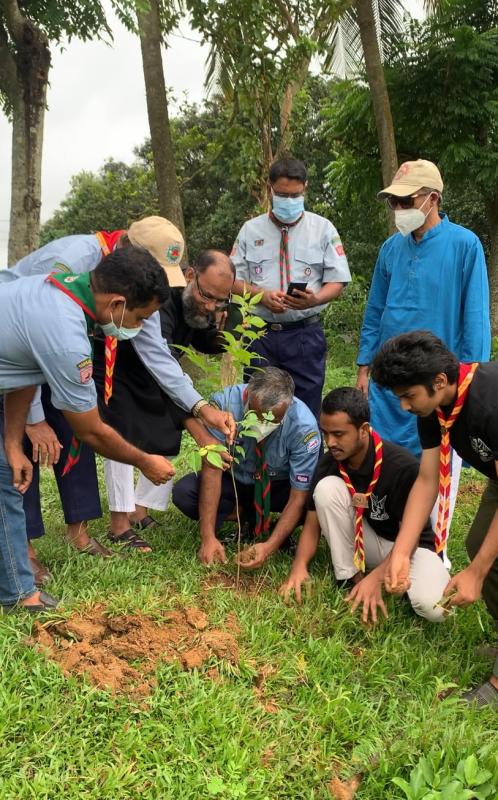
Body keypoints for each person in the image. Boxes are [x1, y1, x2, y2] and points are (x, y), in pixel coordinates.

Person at [0, 217, 235, 578]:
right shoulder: (70, 268)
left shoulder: (120, 295)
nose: (141, 324)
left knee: (68, 427)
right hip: (22, 350)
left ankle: (77, 531)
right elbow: (29, 351)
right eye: (139, 317)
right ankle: (22, 554)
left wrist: (200, 407)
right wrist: (33, 422)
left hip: (29, 360)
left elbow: (156, 352)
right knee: (22, 457)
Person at [0, 248, 175, 613]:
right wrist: (145, 461)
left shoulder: (59, 287)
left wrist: (13, 444)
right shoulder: (66, 335)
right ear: (118, 304)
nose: (139, 327)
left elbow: (22, 371)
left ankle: (18, 592)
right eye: (140, 318)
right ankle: (19, 594)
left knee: (5, 477)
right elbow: (90, 431)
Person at [356, 159, 490, 545]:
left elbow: (475, 315)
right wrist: (364, 366)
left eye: (406, 201)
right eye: (394, 202)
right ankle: (387, 536)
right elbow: (375, 310)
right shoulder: (390, 249)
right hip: (389, 380)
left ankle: (433, 547)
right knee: (384, 456)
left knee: (436, 462)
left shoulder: (464, 245)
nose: (399, 209)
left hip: (436, 382)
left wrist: (471, 376)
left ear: (433, 199)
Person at [371, 331, 498, 707]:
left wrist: (476, 573)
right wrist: (400, 553)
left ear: (439, 380)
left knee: (488, 562)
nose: (404, 406)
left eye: (408, 395)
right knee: (479, 545)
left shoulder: (489, 402)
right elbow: (427, 481)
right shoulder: (435, 408)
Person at [94, 249, 237, 549]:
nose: (210, 306)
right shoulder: (161, 300)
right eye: (206, 296)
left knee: (167, 432)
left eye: (220, 300)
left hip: (160, 376)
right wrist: (200, 421)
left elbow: (199, 339)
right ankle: (119, 524)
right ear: (190, 275)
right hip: (122, 368)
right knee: (122, 435)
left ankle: (139, 509)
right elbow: (162, 362)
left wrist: (226, 334)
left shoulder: (198, 305)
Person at [279, 387, 449, 624]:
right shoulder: (328, 463)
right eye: (325, 433)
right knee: (326, 489)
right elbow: (311, 525)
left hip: (411, 548)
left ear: (363, 430)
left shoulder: (401, 466)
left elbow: (410, 539)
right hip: (367, 542)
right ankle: (352, 579)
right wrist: (299, 566)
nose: (330, 442)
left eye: (339, 434)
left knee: (435, 609)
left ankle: (395, 585)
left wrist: (377, 577)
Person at [231, 157, 351, 419]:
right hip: (260, 335)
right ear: (270, 189)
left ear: (305, 188)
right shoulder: (250, 231)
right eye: (283, 195)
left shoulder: (323, 229)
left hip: (305, 335)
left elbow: (338, 280)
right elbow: (232, 280)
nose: (289, 200)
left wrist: (315, 299)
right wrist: (261, 296)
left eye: (295, 195)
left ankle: (306, 447)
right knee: (259, 410)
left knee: (306, 411)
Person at [172, 367, 321, 566]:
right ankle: (247, 516)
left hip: (277, 487)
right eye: (256, 415)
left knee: (315, 499)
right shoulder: (223, 405)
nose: (262, 425)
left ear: (288, 406)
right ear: (247, 396)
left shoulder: (303, 427)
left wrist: (269, 547)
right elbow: (212, 469)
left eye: (272, 420)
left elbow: (298, 496)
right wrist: (207, 538)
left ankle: (277, 530)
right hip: (237, 481)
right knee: (185, 493)